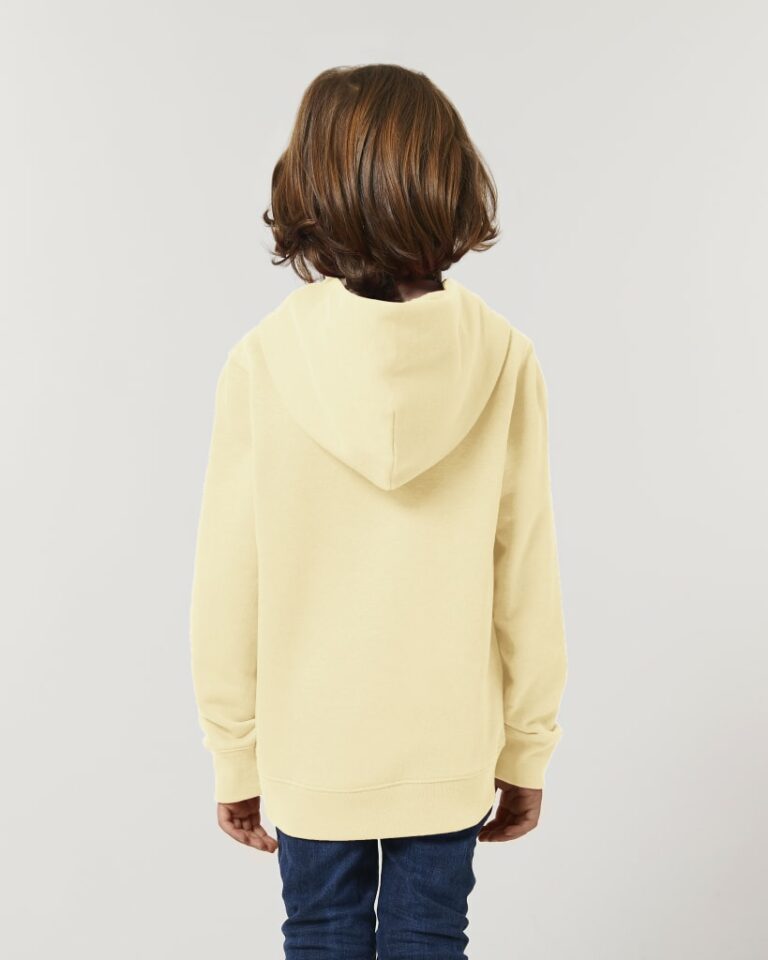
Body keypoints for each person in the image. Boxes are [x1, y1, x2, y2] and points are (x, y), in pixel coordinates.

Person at [189, 62, 568, 960]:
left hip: (312, 750)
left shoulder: (264, 361)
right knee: (432, 937)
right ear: (451, 181)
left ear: (310, 189)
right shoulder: (503, 357)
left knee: (319, 935)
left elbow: (229, 581)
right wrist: (525, 749)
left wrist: (236, 753)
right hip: (448, 748)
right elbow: (526, 574)